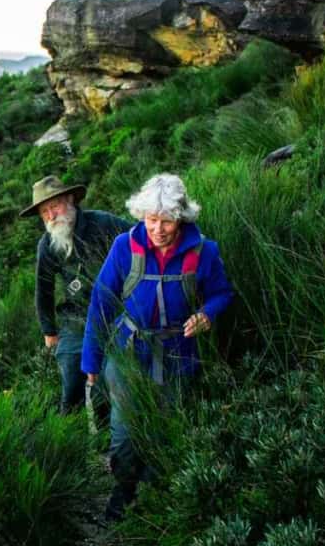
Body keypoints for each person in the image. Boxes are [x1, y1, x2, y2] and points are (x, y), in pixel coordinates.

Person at [81, 173, 234, 521]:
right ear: (141, 216)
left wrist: (207, 314)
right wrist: (91, 358)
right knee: (123, 431)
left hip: (179, 353)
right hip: (128, 352)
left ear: (181, 218)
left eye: (166, 220)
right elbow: (101, 302)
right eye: (151, 219)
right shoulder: (125, 247)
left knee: (165, 426)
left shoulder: (203, 252)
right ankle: (123, 491)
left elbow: (222, 292)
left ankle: (152, 496)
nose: (158, 229)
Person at [21, 175, 132, 416]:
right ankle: (69, 432)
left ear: (70, 199)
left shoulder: (102, 223)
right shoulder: (47, 245)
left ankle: (108, 429)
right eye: (44, 212)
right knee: (72, 374)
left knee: (110, 375)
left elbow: (138, 239)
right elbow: (44, 288)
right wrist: (49, 330)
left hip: (116, 311)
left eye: (54, 207)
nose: (51, 216)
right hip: (76, 319)